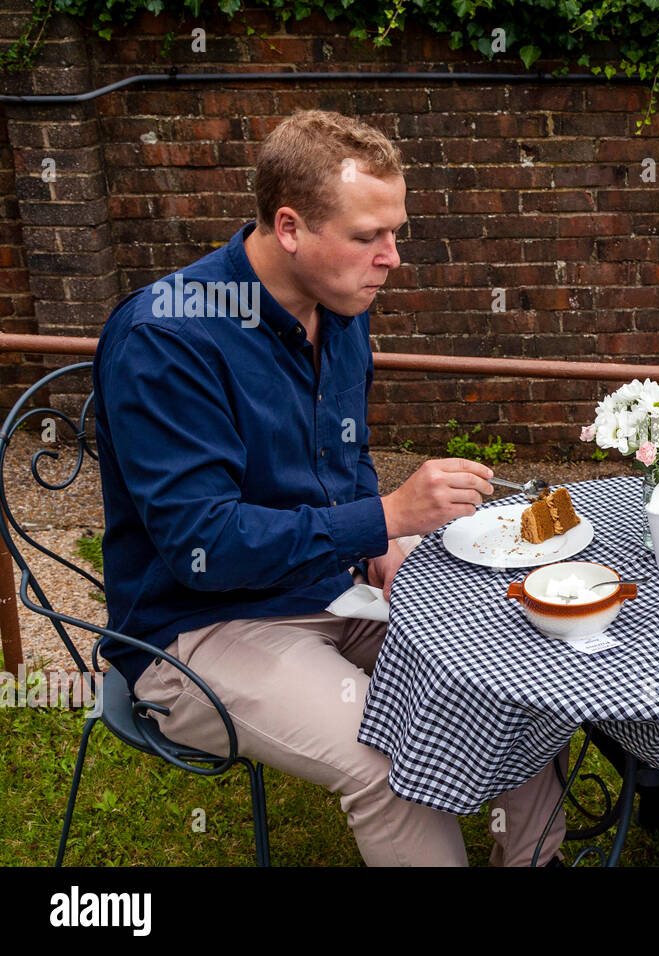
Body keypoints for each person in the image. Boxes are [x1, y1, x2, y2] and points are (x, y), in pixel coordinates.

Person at [93, 110, 566, 866]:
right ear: (289, 227)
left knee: (512, 675)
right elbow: (203, 548)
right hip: (200, 630)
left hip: (332, 589)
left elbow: (344, 459)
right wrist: (382, 518)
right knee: (387, 768)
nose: (392, 258)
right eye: (367, 236)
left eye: (396, 231)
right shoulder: (169, 337)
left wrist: (390, 542)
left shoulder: (339, 309)